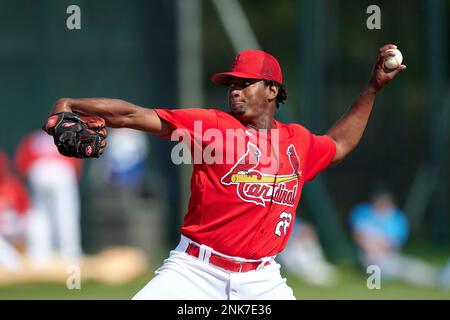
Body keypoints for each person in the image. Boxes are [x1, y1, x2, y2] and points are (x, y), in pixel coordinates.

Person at [44, 45, 406, 299]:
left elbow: (339, 145)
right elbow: (132, 115)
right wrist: (70, 104)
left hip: (262, 279)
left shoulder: (297, 142)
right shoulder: (211, 126)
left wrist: (373, 89)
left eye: (245, 83)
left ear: (272, 90)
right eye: (232, 84)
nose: (235, 91)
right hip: (195, 271)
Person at [15, 130, 83, 266]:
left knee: (40, 213)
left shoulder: (34, 137)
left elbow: (21, 161)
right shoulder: (68, 134)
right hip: (61, 169)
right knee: (66, 213)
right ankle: (69, 253)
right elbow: (77, 159)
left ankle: (40, 254)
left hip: (38, 170)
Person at [349, 187, 441, 287]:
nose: (381, 202)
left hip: (387, 254)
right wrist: (370, 247)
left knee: (404, 266)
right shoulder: (362, 211)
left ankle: (437, 277)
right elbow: (356, 234)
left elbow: (395, 243)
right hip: (366, 254)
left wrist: (381, 248)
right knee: (382, 269)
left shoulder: (397, 217)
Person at [278, 219, 339, 287]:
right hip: (288, 249)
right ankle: (312, 275)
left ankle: (318, 270)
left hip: (300, 246)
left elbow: (306, 228)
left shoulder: (291, 216)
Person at [0, 152, 30, 272]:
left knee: (38, 223)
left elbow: (26, 211)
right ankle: (15, 268)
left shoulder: (13, 185)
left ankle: (40, 263)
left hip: (14, 227)